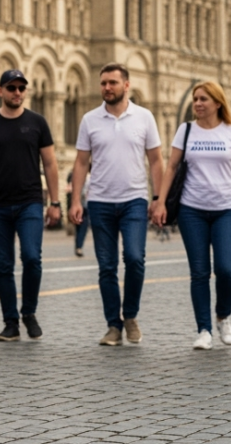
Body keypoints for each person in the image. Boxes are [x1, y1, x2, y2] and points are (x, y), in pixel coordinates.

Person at [68, 63, 164, 347]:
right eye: (103, 83)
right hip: (100, 201)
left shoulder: (144, 117)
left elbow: (156, 160)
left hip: (135, 199)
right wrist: (76, 200)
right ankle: (113, 325)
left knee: (134, 259)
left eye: (112, 82)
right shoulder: (90, 120)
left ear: (126, 85)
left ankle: (130, 315)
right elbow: (81, 162)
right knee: (107, 267)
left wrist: (158, 199)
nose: (107, 88)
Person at [154, 82, 231, 350]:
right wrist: (160, 202)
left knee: (226, 270)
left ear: (218, 103)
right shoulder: (186, 130)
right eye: (196, 99)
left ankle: (223, 316)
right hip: (191, 210)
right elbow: (171, 167)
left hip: (226, 209)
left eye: (203, 99)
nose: (197, 103)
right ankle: (204, 330)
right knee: (199, 272)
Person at [0, 68, 61, 342]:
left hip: (30, 203)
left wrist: (55, 202)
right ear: (0, 91)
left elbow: (50, 164)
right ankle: (11, 323)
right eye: (11, 88)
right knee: (4, 266)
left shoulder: (37, 122)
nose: (17, 92)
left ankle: (29, 312)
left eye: (21, 88)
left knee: (32, 258)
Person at [68, 173, 91, 258]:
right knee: (82, 227)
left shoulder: (77, 176)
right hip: (84, 205)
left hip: (80, 205)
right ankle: (79, 247)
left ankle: (78, 246)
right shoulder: (88, 178)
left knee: (79, 227)